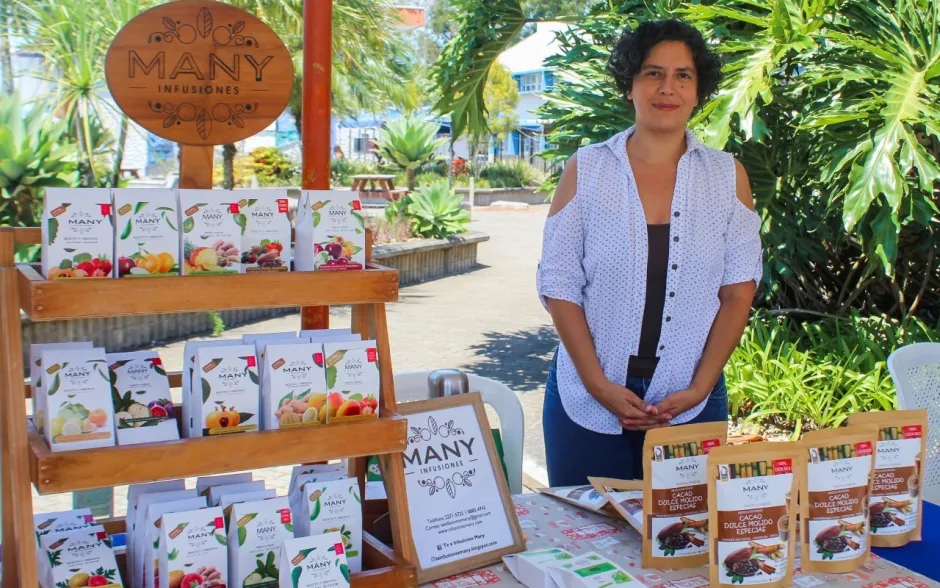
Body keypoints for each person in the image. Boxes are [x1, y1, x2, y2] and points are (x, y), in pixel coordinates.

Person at [537, 19, 763, 486]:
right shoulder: (588, 169)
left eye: (683, 75)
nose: (668, 88)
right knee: (586, 538)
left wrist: (701, 387)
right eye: (652, 73)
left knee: (682, 543)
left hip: (692, 400)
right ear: (630, 86)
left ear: (699, 91)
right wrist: (599, 386)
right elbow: (559, 285)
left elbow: (739, 292)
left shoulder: (726, 177)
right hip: (586, 399)